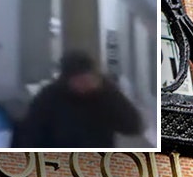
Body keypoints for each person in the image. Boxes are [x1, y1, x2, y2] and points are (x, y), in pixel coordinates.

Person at [11, 51, 143, 149]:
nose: (85, 84)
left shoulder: (104, 95)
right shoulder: (49, 98)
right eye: (80, 80)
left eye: (89, 79)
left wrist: (108, 92)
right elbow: (30, 135)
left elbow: (133, 126)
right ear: (67, 80)